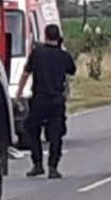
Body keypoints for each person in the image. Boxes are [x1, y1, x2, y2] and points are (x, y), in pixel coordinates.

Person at [17, 24, 77, 179]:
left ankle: (37, 164)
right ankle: (53, 167)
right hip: (56, 100)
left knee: (31, 130)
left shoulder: (37, 53)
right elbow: (72, 71)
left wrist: (18, 92)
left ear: (45, 35)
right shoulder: (63, 56)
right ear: (59, 37)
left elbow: (26, 73)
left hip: (39, 98)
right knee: (56, 134)